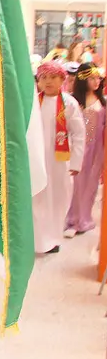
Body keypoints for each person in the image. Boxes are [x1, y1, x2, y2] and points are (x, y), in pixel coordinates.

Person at [32, 62, 85, 254]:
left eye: (53, 77)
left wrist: (77, 161)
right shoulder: (33, 102)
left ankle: (53, 238)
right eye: (43, 78)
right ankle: (38, 239)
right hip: (37, 159)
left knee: (58, 198)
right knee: (37, 198)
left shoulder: (69, 103)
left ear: (62, 80)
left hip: (59, 161)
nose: (48, 82)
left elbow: (78, 134)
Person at [65, 63, 106, 236]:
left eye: (97, 78)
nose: (96, 81)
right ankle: (72, 219)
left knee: (90, 184)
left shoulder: (102, 103)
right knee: (75, 184)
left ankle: (84, 218)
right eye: (92, 78)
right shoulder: (73, 102)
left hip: (96, 150)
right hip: (77, 148)